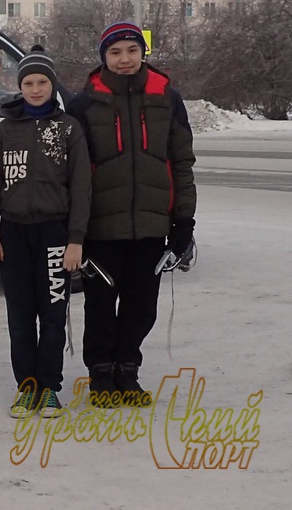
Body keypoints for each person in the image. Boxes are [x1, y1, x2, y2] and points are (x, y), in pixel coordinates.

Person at [66, 22, 196, 407]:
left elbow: (182, 163)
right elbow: (72, 173)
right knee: (101, 306)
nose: (124, 59)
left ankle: (128, 372)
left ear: (143, 53)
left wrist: (183, 223)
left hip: (153, 225)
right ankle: (101, 376)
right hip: (100, 227)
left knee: (142, 307)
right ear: (104, 56)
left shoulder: (167, 98)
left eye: (131, 51)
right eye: (115, 52)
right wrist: (76, 228)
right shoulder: (83, 104)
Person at [0, 53, 91, 418]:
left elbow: (80, 188)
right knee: (20, 315)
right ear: (19, 86)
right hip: (13, 233)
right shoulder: (4, 130)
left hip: (55, 233)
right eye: (28, 83)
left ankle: (49, 388)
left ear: (52, 85)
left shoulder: (68, 129)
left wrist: (75, 239)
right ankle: (26, 387)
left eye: (42, 82)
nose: (36, 89)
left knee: (53, 314)